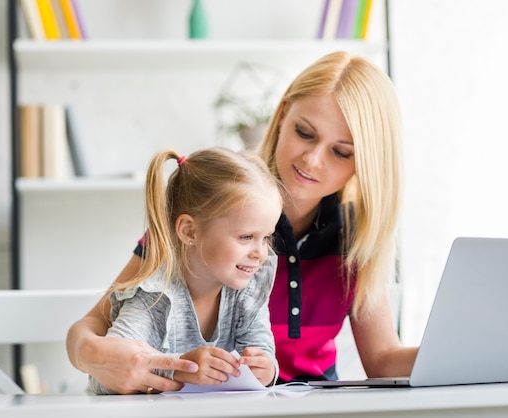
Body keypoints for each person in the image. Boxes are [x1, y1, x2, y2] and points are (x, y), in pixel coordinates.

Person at [67, 51, 419, 394]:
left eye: (341, 151)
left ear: (366, 162)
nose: (312, 160)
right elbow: (94, 324)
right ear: (281, 116)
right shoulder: (216, 206)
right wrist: (92, 355)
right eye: (305, 132)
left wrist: (469, 356)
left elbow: (383, 360)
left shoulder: (358, 237)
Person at [87, 147, 284, 394]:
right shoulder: (154, 296)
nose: (261, 253)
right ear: (189, 231)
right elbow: (103, 378)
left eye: (266, 238)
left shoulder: (248, 292)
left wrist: (267, 370)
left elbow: (263, 351)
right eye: (246, 237)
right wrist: (180, 368)